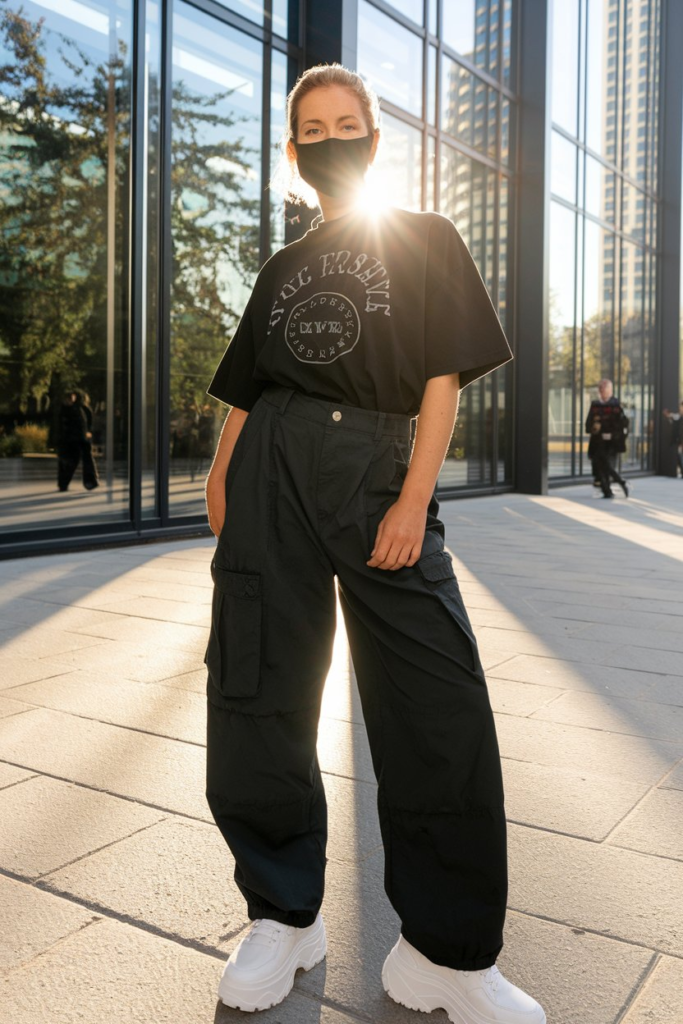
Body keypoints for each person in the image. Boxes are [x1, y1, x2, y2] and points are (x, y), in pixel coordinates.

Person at [204, 64, 546, 1024]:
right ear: (292, 151)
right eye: (310, 129)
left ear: (374, 137)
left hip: (376, 470)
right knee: (257, 687)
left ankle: (444, 955)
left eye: (345, 123)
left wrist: (413, 499)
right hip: (270, 468)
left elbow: (442, 378)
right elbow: (249, 391)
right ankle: (282, 913)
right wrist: (224, 476)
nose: (328, 138)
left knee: (436, 702)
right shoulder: (280, 268)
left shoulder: (425, 238)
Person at [585, 379, 629, 499]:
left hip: (612, 442)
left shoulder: (616, 405)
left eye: (605, 389)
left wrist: (614, 435)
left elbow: (623, 424)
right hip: (598, 442)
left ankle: (618, 483)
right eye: (601, 389)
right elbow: (588, 423)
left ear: (610, 390)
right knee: (600, 466)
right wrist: (593, 428)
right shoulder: (595, 405)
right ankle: (608, 491)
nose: (602, 391)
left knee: (608, 466)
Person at [56, 390, 99, 492]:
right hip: (74, 439)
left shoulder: (78, 410)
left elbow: (86, 424)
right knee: (73, 461)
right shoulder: (72, 410)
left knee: (72, 461)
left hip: (77, 439)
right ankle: (88, 481)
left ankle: (65, 483)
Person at [662, 401, 683, 478]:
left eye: (681, 407)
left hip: (681, 442)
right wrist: (668, 415)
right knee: (679, 456)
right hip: (679, 441)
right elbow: (675, 417)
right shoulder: (680, 417)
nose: (680, 408)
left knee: (680, 457)